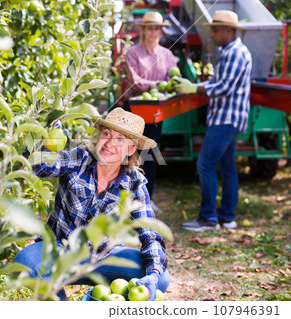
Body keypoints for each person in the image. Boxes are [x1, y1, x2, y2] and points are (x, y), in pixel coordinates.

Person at [14, 108, 170, 300]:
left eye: (120, 139)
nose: (109, 143)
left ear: (131, 150)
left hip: (104, 257)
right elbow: (41, 167)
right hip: (60, 251)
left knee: (160, 278)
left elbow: (150, 233)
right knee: (24, 264)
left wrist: (154, 272)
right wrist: (48, 143)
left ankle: (95, 298)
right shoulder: (79, 159)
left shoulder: (134, 183)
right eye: (106, 134)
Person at [175, 10, 252, 231]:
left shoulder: (235, 53)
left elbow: (225, 87)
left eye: (216, 30)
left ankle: (208, 218)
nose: (213, 34)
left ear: (228, 30)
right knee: (227, 167)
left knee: (205, 164)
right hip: (226, 117)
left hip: (226, 119)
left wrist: (195, 88)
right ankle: (227, 217)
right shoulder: (229, 51)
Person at [124, 11, 177, 212]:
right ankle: (127, 200)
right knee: (131, 154)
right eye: (150, 28)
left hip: (156, 110)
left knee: (151, 154)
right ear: (143, 30)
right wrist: (158, 85)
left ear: (161, 31)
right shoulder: (132, 53)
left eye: (157, 28)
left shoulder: (168, 55)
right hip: (135, 110)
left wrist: (162, 85)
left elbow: (172, 82)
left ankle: (148, 198)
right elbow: (135, 83)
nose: (153, 32)